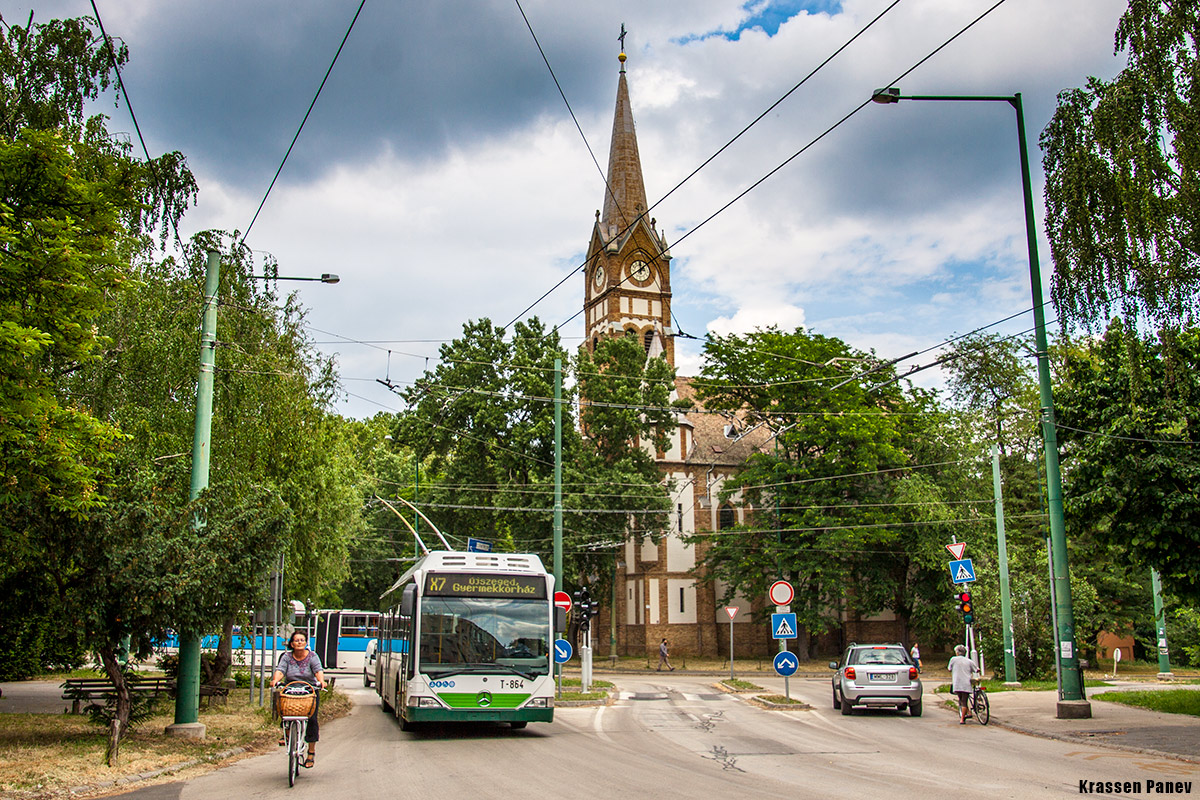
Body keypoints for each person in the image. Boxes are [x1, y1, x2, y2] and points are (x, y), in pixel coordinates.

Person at [271, 631, 326, 768]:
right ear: (292, 644)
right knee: (284, 710)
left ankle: (311, 752)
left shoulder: (313, 656)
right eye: (296, 640)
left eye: (302, 640)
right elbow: (280, 670)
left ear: (306, 643)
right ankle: (287, 734)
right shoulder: (286, 657)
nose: (299, 642)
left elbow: (318, 670)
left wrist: (321, 682)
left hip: (309, 690)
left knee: (312, 719)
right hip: (291, 689)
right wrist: (275, 680)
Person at [947, 644, 980, 724]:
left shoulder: (953, 660)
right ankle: (968, 712)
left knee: (962, 700)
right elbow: (976, 670)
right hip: (966, 683)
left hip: (957, 683)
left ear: (957, 653)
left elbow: (949, 669)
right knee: (964, 699)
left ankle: (962, 719)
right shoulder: (969, 661)